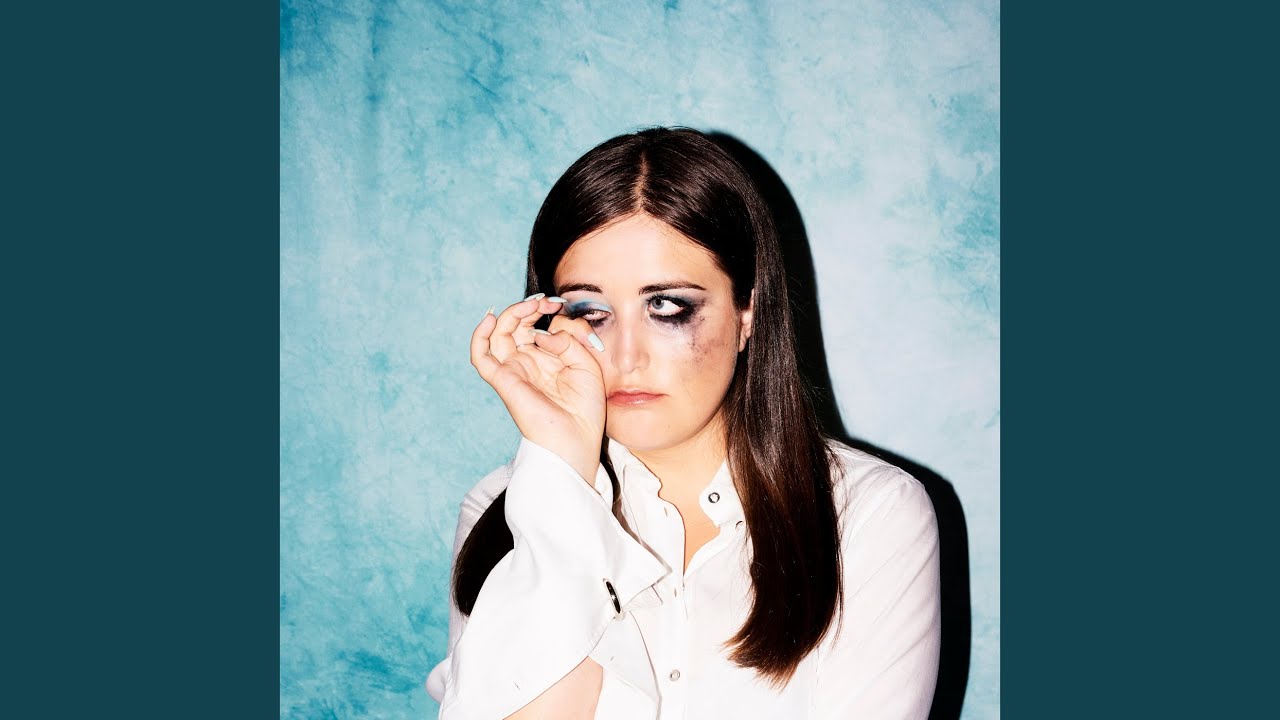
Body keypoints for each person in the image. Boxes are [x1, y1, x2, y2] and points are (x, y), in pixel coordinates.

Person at [426, 127, 941, 719]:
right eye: (590, 312)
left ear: (747, 313)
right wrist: (562, 478)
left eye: (668, 307)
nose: (627, 357)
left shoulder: (869, 515)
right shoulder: (502, 513)